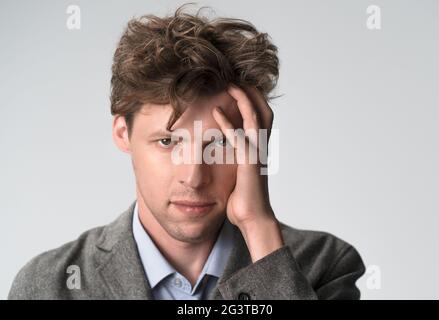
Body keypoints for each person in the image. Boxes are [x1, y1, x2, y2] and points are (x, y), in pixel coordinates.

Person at [8, 4, 365, 300]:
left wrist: (258, 227)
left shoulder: (324, 266)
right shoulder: (50, 285)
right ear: (123, 133)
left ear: (254, 146)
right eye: (168, 141)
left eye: (220, 144)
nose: (194, 176)